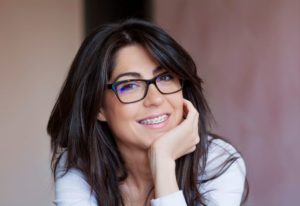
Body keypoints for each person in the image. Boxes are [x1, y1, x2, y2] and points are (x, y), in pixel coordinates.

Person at [47, 19, 248, 206]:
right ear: (98, 107)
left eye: (165, 77)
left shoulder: (217, 162)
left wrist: (163, 162)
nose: (155, 99)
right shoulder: (82, 166)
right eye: (130, 85)